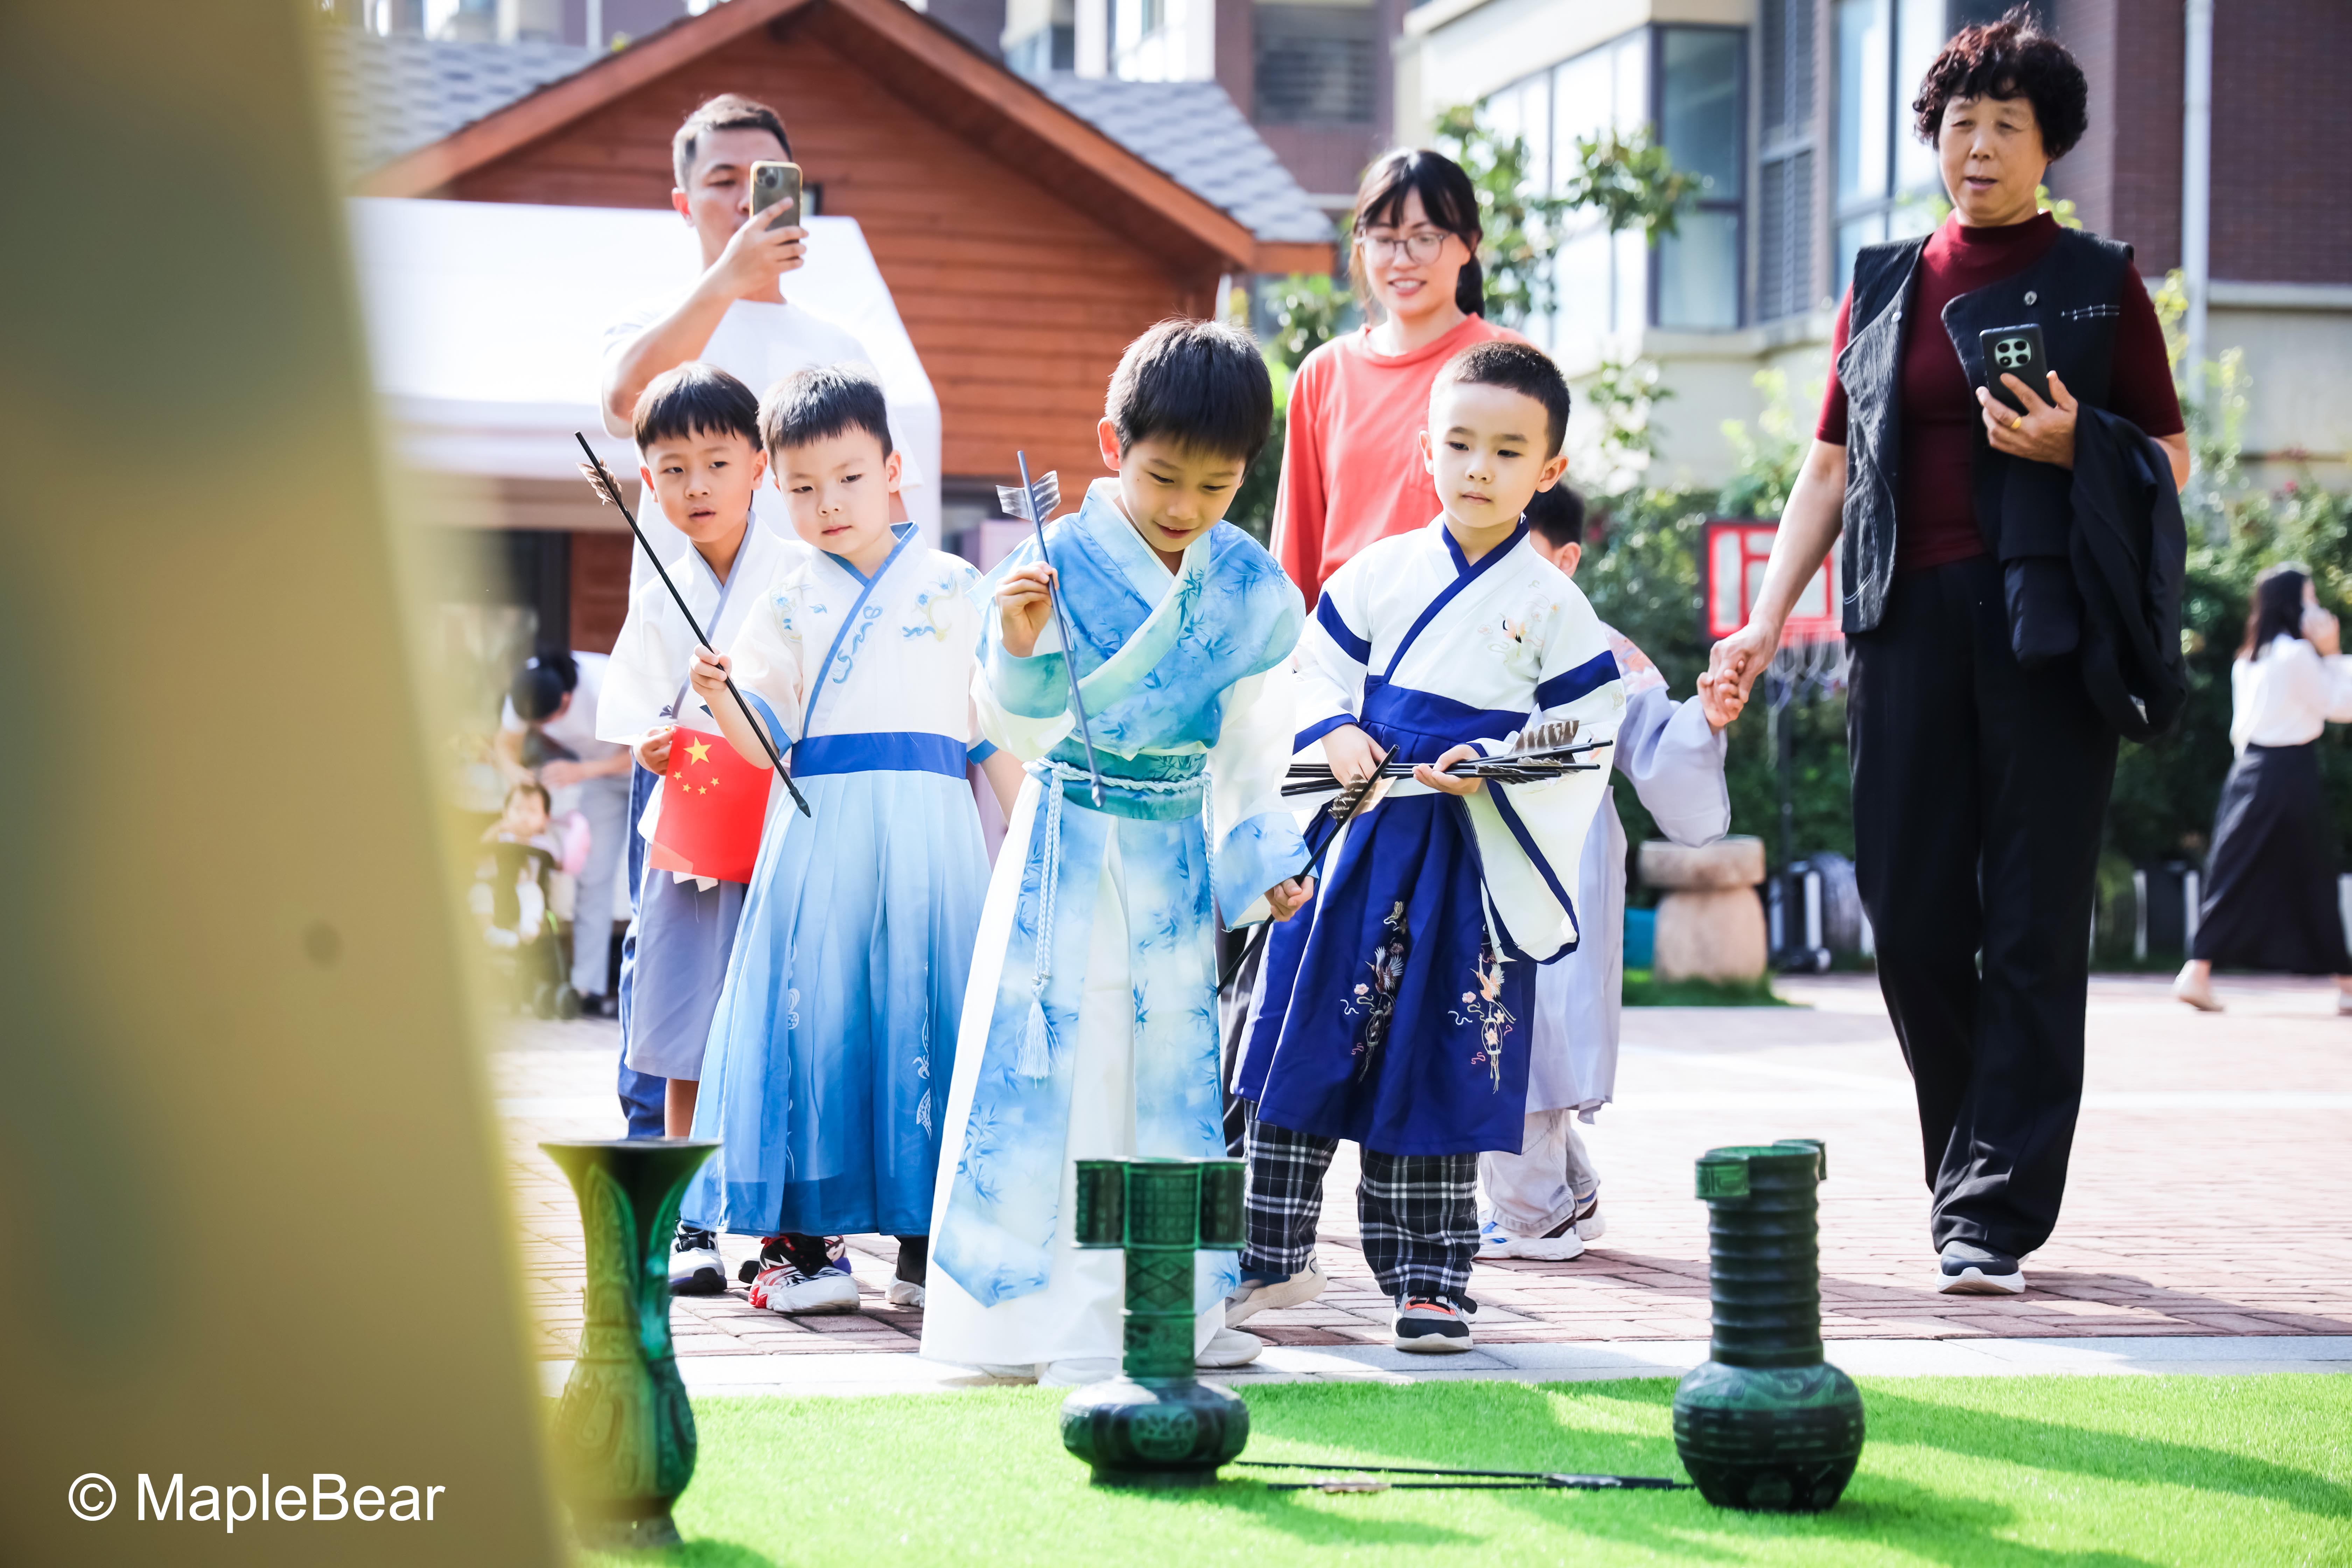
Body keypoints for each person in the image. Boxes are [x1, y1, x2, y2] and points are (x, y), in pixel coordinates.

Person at [1706, 11, 2192, 1298]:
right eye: (1957, 124)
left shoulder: (2097, 280)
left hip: (2046, 630)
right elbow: (1822, 468)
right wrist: (1762, 620)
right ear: (1932, 138)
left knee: (2032, 920)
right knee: (1911, 913)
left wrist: (2072, 444)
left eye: (2004, 127)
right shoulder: (1880, 283)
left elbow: (2169, 460)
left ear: (2046, 146)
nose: (1975, 147)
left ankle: (1987, 1209)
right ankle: (1968, 1164)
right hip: (1896, 625)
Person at [922, 320, 1315, 1384]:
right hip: (1065, 852)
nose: (1185, 507)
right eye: (1162, 476)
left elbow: (1251, 747)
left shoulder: (1245, 587)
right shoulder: (1044, 565)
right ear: (1111, 443)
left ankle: (1172, 1306)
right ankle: (1033, 1319)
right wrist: (1012, 646)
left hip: (1177, 858)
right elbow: (1013, 729)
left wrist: (1264, 856)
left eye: (1217, 485)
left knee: (1169, 1082)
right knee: (1067, 1066)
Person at [1229, 341, 1624, 1354]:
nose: (1478, 468)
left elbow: (1586, 728)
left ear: (1549, 471)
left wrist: (1494, 758)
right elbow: (1311, 670)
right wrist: (1333, 730)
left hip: (1469, 853)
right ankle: (1266, 1256)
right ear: (1425, 450)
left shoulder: (1551, 602)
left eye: (1506, 451)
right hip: (1357, 832)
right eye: (1458, 444)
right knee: (1302, 1034)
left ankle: (1430, 1280)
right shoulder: (1378, 574)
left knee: (1443, 1054)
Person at [680, 365, 1025, 1315]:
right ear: (773, 488)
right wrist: (721, 697)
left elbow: (994, 726)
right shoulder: (785, 598)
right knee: (814, 1019)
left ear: (895, 468)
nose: (827, 505)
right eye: (800, 488)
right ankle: (805, 1246)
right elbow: (763, 747)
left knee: (935, 1015)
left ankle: (929, 1240)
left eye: (849, 478)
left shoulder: (960, 587)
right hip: (822, 829)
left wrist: (1035, 842)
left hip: (933, 833)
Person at [1477, 484, 1739, 1262]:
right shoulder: (1463, 633)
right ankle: (1569, 1187)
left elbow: (1659, 743)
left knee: (1522, 1030)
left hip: (1568, 855)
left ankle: (1534, 1214)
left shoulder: (1604, 649)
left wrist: (1704, 720)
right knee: (1502, 1026)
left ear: (1567, 559)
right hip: (1479, 849)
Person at [592, 363, 805, 1290]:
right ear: (647, 480)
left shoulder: (797, 567)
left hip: (779, 815)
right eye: (672, 470)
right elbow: (635, 703)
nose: (695, 487)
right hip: (691, 818)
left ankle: (784, 1224)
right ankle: (686, 1224)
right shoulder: (661, 582)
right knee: (684, 1018)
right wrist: (646, 739)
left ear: (759, 463)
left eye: (717, 462)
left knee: (781, 1019)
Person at [599, 93, 927, 596]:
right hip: (690, 639)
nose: (748, 200)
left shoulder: (838, 344)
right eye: (724, 180)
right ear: (684, 206)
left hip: (817, 640)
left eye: (765, 179)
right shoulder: (650, 325)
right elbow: (623, 409)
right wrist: (728, 278)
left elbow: (887, 507)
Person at [1271, 148, 1526, 606]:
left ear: (1468, 243)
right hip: (1340, 654)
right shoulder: (1323, 373)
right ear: (1361, 245)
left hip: (1469, 642)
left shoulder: (1511, 363)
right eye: (1385, 238)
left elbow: (1538, 527)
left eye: (1425, 237)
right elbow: (1296, 549)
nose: (1402, 259)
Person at [2176, 567, 2352, 1012]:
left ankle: (2199, 971)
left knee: (2235, 872)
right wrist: (2333, 654)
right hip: (2289, 770)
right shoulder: (2297, 655)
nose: (2318, 610)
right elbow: (2341, 706)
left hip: (2249, 770)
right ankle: (2347, 982)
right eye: (2311, 599)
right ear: (2294, 604)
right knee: (2312, 873)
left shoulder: (2249, 657)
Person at [500, 651, 631, 1015]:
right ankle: (586, 988)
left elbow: (647, 747)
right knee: (592, 876)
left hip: (648, 770)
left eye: (547, 722)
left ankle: (639, 990)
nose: (542, 730)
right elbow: (505, 746)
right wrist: (519, 778)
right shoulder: (525, 689)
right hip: (600, 781)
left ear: (567, 700)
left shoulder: (605, 680)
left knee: (647, 879)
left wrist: (584, 770)